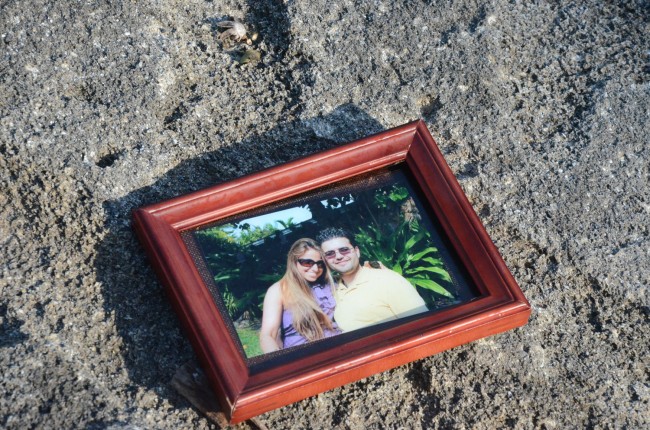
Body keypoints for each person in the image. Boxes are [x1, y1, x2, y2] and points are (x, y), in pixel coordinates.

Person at [317, 227, 429, 332]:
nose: (338, 256)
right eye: (330, 254)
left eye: (344, 250)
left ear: (357, 251)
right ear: (325, 260)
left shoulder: (387, 280)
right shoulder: (333, 290)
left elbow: (423, 325)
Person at [259, 238, 340, 353]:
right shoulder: (279, 290)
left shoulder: (328, 285)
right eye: (308, 262)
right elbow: (268, 335)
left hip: (338, 348)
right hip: (303, 354)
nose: (315, 269)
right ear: (293, 261)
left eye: (320, 263)